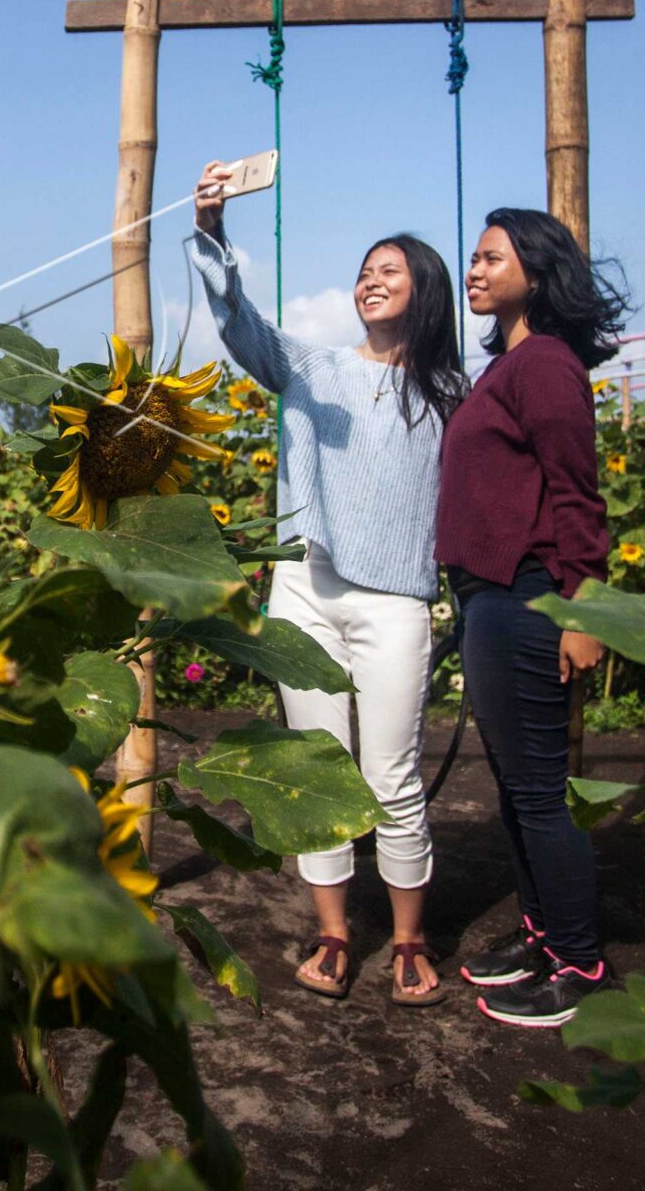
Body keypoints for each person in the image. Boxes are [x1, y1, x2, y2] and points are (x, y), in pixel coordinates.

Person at [189, 160, 467, 1006]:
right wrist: (211, 231)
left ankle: (410, 939)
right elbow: (239, 322)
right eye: (365, 270)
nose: (370, 280)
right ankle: (336, 933)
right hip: (306, 590)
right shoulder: (309, 366)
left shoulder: (450, 394)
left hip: (396, 601)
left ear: (425, 292)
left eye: (391, 270)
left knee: (391, 775)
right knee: (317, 768)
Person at [436, 207, 630, 1027]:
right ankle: (544, 935)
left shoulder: (546, 364)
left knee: (541, 792)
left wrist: (584, 609)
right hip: (492, 595)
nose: (474, 270)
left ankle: (581, 963)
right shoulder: (508, 366)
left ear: (538, 273)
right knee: (518, 789)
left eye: (491, 258)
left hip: (529, 593)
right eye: (474, 258)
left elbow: (577, 493)